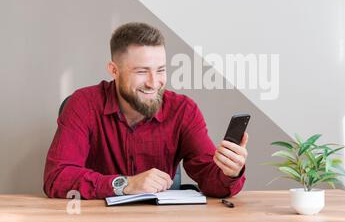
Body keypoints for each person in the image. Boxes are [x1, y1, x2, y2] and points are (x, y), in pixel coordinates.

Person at [43, 22, 248, 199]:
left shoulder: (183, 111)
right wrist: (126, 184)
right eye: (142, 71)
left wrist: (229, 172)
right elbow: (57, 178)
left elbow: (211, 180)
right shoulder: (83, 104)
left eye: (160, 70)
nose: (153, 83)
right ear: (114, 70)